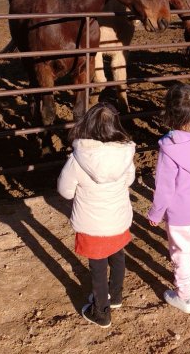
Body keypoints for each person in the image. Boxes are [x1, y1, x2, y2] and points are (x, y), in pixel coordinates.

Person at [57, 102, 136, 328]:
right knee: (118, 256)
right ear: (116, 126)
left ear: (87, 126)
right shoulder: (125, 154)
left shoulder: (78, 158)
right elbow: (129, 180)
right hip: (118, 220)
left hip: (91, 224)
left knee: (98, 268)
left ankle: (101, 312)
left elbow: (65, 191)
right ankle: (116, 296)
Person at [147, 83, 190, 314]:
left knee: (180, 253)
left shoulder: (169, 148)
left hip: (179, 214)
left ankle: (184, 297)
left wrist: (155, 213)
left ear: (169, 113)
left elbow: (164, 188)